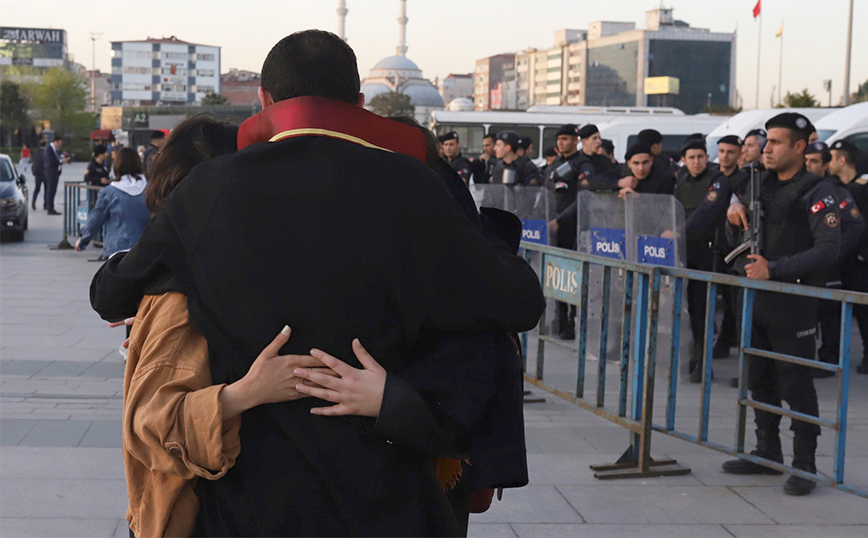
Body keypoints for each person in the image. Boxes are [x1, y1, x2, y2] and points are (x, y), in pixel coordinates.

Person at [90, 29, 544, 537]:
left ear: (264, 100)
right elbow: (518, 302)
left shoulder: (210, 189)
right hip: (385, 494)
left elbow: (110, 293)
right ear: (358, 102)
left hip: (250, 502)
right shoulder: (413, 184)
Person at [722, 112, 842, 496]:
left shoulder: (817, 191)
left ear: (799, 147)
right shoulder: (759, 185)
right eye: (766, 141)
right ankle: (766, 452)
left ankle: (804, 464)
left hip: (795, 303)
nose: (765, 147)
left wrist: (775, 269)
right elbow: (739, 240)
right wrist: (732, 218)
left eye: (775, 142)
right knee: (760, 378)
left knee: (796, 382)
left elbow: (828, 249)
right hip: (757, 300)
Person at [674, 138, 731, 383]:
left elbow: (707, 211)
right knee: (688, 311)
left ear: (707, 158)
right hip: (684, 254)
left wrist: (680, 230)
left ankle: (703, 363)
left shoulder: (718, 180)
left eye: (700, 157)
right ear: (684, 160)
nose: (696, 162)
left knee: (702, 312)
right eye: (691, 158)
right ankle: (693, 357)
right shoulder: (682, 181)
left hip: (708, 255)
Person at [828, 139, 868, 374]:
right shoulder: (834, 186)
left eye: (831, 158)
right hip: (842, 259)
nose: (827, 163)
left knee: (864, 312)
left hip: (861, 261)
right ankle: (831, 354)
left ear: (842, 161)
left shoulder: (862, 188)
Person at [75, 147, 149, 259]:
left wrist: (83, 240)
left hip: (118, 250)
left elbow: (96, 219)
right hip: (146, 250)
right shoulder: (151, 189)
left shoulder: (109, 192)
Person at [43, 135, 70, 215]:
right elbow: (51, 161)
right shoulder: (49, 150)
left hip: (54, 173)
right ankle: (50, 208)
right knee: (50, 191)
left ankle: (50, 207)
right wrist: (62, 161)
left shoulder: (54, 150)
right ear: (56, 141)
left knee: (52, 190)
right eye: (60, 143)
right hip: (51, 173)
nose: (60, 145)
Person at [30, 140, 46, 211]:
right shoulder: (46, 152)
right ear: (45, 145)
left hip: (37, 173)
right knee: (47, 189)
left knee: (37, 188)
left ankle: (34, 199)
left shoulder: (35, 152)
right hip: (45, 173)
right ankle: (45, 204)